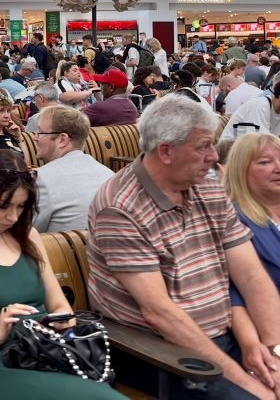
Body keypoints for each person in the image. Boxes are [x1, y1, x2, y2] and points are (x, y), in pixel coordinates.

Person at [88, 95, 280, 399]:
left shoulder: (204, 184)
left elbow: (251, 275)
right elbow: (160, 314)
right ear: (166, 151)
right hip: (160, 352)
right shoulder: (120, 207)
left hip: (227, 333)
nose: (215, 156)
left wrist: (273, 352)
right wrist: (250, 385)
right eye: (203, 146)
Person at [0, 149, 123, 400]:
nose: (12, 217)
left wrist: (62, 320)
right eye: (2, 206)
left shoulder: (27, 236)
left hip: (45, 349)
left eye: (21, 206)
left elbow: (58, 303)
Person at [221, 133, 280, 376]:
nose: (278, 167)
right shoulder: (234, 221)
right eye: (265, 162)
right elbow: (233, 295)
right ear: (240, 171)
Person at [33, 106, 113, 232]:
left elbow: (24, 232)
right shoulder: (108, 175)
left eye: (40, 132)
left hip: (61, 251)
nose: (35, 138)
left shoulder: (41, 179)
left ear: (62, 140)